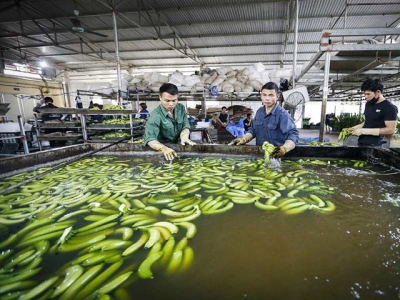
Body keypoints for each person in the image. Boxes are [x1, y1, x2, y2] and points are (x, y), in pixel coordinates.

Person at [229, 82, 299, 158]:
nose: (267, 98)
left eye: (271, 95)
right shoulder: (259, 112)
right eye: (264, 95)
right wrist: (244, 139)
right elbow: (253, 130)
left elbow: (293, 134)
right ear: (261, 96)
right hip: (260, 156)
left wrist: (284, 149)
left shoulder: (282, 115)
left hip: (276, 157)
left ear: (277, 97)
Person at [144, 83, 196, 160]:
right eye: (167, 101)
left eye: (174, 100)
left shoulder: (180, 108)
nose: (171, 104)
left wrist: (184, 136)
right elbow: (150, 139)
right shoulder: (156, 115)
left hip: (178, 147)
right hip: (162, 151)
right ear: (160, 97)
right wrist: (164, 149)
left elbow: (185, 125)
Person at [348, 78, 398, 146]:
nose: (366, 97)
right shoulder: (368, 104)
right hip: (361, 142)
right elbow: (368, 121)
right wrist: (354, 128)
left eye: (368, 94)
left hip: (375, 145)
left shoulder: (389, 107)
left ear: (378, 92)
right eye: (365, 94)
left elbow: (390, 130)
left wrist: (364, 131)